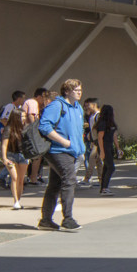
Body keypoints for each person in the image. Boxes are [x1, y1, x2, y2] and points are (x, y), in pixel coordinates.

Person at [37, 79, 86, 231]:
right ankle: (68, 219)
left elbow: (79, 130)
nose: (79, 92)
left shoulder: (78, 108)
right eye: (75, 90)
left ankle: (45, 220)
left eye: (80, 89)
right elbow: (44, 126)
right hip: (57, 150)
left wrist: (79, 148)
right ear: (67, 91)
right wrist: (64, 142)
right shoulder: (57, 105)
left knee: (54, 185)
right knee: (69, 180)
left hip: (71, 151)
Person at [94, 104, 117, 196]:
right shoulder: (102, 123)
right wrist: (102, 152)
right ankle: (104, 188)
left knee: (106, 167)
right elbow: (100, 138)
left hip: (110, 146)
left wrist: (118, 148)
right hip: (104, 147)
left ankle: (103, 188)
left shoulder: (111, 123)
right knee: (111, 167)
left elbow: (114, 136)